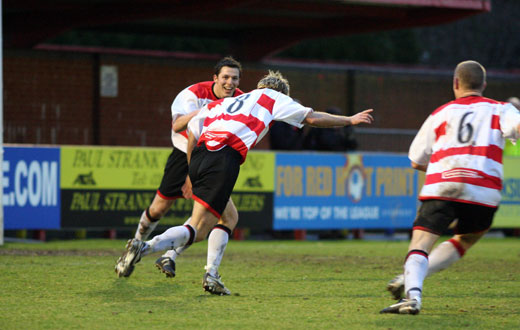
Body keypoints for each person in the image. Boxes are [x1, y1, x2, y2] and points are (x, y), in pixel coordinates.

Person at [115, 70, 374, 295]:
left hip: (201, 153)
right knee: (199, 227)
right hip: (224, 158)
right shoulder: (273, 97)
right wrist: (349, 120)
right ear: (281, 92)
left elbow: (193, 129)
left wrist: (193, 171)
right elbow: (312, 118)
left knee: (229, 217)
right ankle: (145, 247)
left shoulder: (231, 99)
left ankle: (211, 275)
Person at [380, 60, 520, 315]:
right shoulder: (501, 109)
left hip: (442, 185)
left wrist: (444, 168)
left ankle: (412, 293)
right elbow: (517, 128)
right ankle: (408, 279)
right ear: (484, 85)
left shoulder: (440, 113)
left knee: (421, 242)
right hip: (482, 189)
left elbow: (416, 160)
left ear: (456, 83)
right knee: (465, 239)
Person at [115, 56, 244, 279]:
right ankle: (136, 246)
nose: (230, 83)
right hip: (183, 153)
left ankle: (173, 257)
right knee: (159, 209)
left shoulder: (241, 99)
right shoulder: (192, 94)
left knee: (223, 216)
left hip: (212, 159)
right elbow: (177, 124)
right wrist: (209, 110)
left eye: (235, 78)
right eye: (225, 77)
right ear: (215, 78)